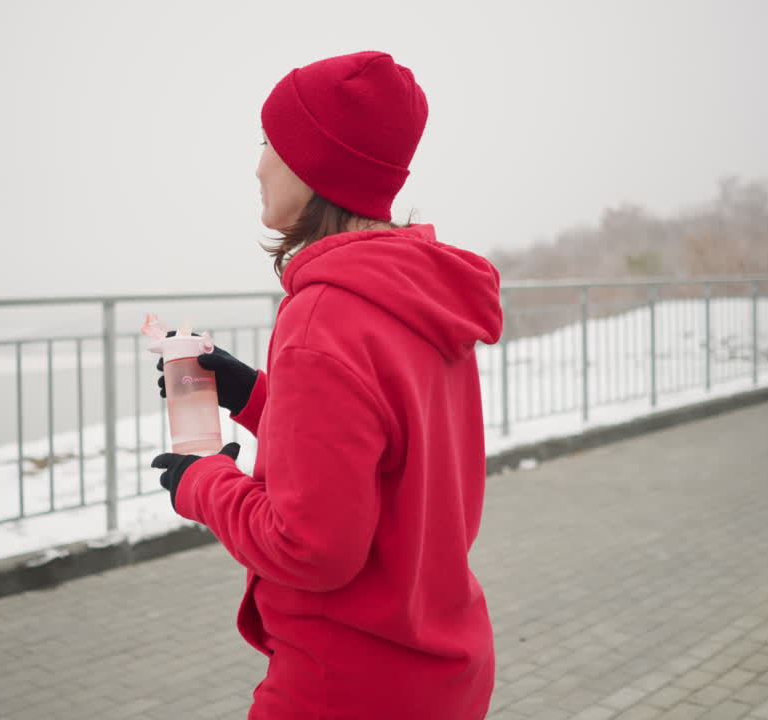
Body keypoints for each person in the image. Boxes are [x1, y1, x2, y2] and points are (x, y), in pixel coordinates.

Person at [151, 50, 503, 720]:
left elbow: (311, 548)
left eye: (269, 143)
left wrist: (200, 481)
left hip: (347, 685)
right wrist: (255, 395)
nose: (257, 166)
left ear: (318, 165)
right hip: (440, 670)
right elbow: (386, 450)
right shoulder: (420, 292)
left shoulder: (323, 315)